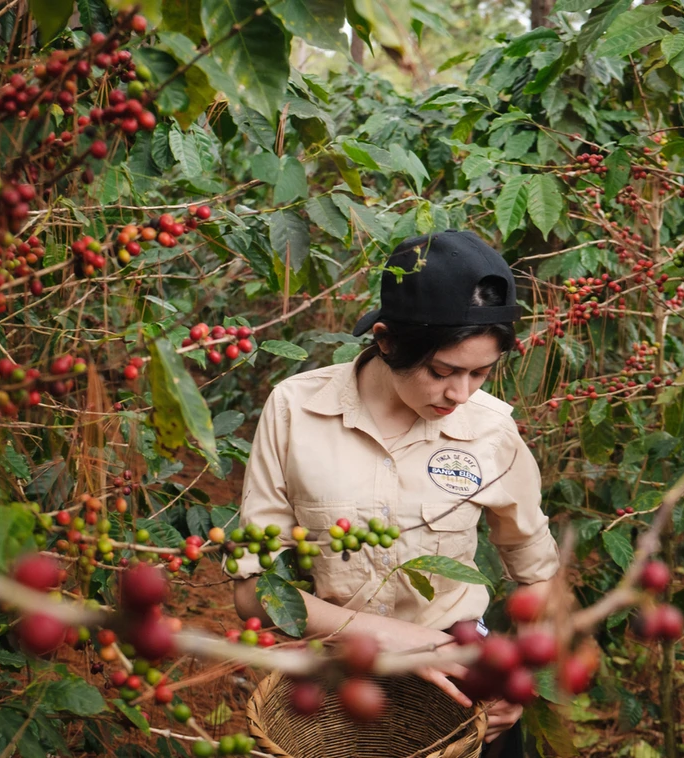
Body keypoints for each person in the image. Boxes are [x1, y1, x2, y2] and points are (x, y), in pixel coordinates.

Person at [230, 230, 559, 752]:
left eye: (481, 373)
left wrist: (515, 675)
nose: (461, 393)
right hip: (334, 693)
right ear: (385, 339)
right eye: (442, 371)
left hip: (461, 689)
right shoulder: (296, 411)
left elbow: (537, 572)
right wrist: (383, 634)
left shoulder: (493, 431)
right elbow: (253, 589)